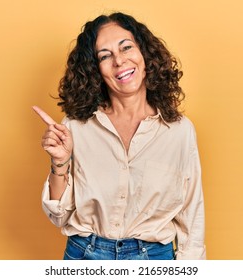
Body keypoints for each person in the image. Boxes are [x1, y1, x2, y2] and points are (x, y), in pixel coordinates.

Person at [33, 12, 206, 260]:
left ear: (145, 55)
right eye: (105, 56)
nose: (119, 61)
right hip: (85, 255)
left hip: (155, 259)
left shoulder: (179, 131)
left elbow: (192, 213)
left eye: (126, 48)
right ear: (96, 70)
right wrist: (59, 162)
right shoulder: (75, 127)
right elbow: (59, 215)